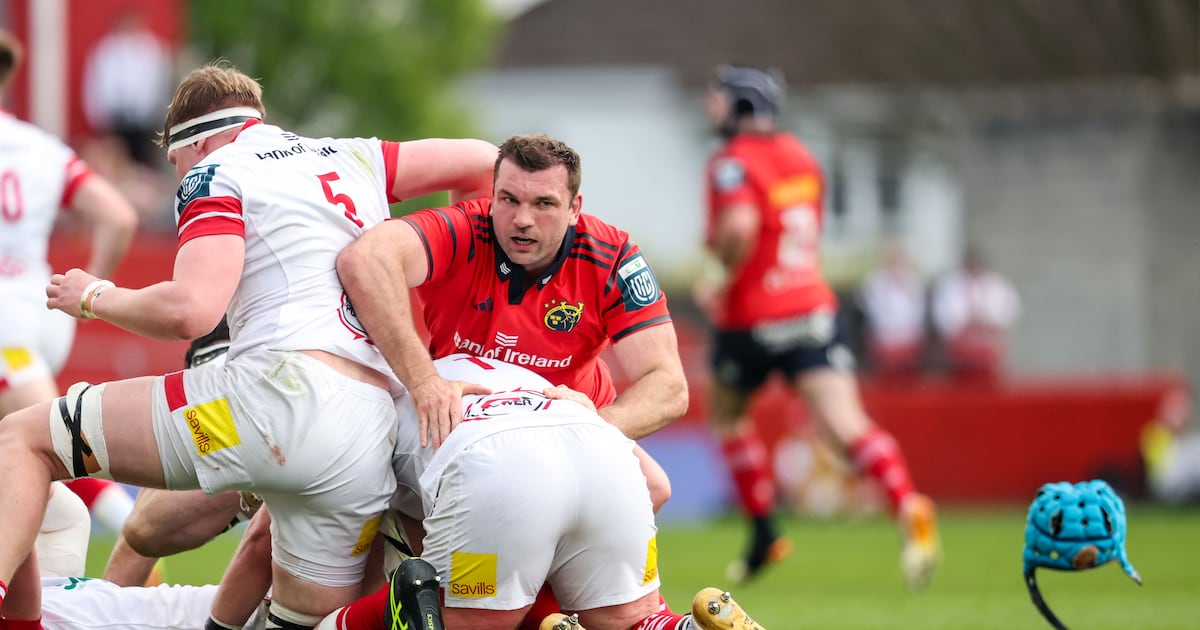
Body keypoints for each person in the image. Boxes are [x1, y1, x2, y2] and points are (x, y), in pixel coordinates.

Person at [0, 60, 497, 627]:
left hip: (272, 398)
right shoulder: (352, 153)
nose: (179, 172)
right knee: (299, 621)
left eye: (175, 160)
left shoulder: (215, 169)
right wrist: (456, 307)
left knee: (24, 438)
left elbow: (191, 310)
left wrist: (96, 296)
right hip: (366, 430)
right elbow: (485, 161)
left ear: (197, 140)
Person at [335, 133, 688, 622]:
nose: (522, 219)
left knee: (653, 485)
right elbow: (365, 260)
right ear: (493, 195)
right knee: (357, 494)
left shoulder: (612, 255)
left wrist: (601, 423)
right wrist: (423, 382)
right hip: (473, 415)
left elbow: (668, 385)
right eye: (509, 200)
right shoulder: (467, 228)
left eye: (544, 203)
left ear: (574, 207)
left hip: (563, 424)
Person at [690, 64, 940, 588]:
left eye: (718, 97)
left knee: (730, 418)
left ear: (738, 107)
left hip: (752, 315)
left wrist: (719, 273)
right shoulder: (801, 156)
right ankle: (907, 503)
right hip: (810, 309)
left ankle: (763, 530)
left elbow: (740, 225)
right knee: (847, 426)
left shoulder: (731, 162)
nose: (710, 105)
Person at [321, 354, 763, 630]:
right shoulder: (522, 374)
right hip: (601, 451)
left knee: (458, 611)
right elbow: (657, 486)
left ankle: (547, 620)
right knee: (632, 620)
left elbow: (359, 510)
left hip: (497, 465)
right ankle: (683, 627)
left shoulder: (384, 394)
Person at [81, 9, 172, 166]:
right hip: (114, 121)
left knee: (143, 166)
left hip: (144, 122)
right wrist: (99, 118)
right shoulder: (105, 52)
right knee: (116, 164)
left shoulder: (152, 49)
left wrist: (156, 114)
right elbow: (95, 88)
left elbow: (159, 85)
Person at [930, 244, 1021, 383]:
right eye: (971, 262)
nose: (974, 267)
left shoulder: (998, 285)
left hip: (988, 349)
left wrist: (989, 322)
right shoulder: (950, 286)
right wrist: (964, 323)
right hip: (960, 354)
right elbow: (942, 315)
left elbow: (1010, 311)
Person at [857, 241, 928, 379]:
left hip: (908, 337)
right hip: (882, 336)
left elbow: (918, 312)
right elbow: (870, 310)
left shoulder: (913, 281)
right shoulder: (874, 282)